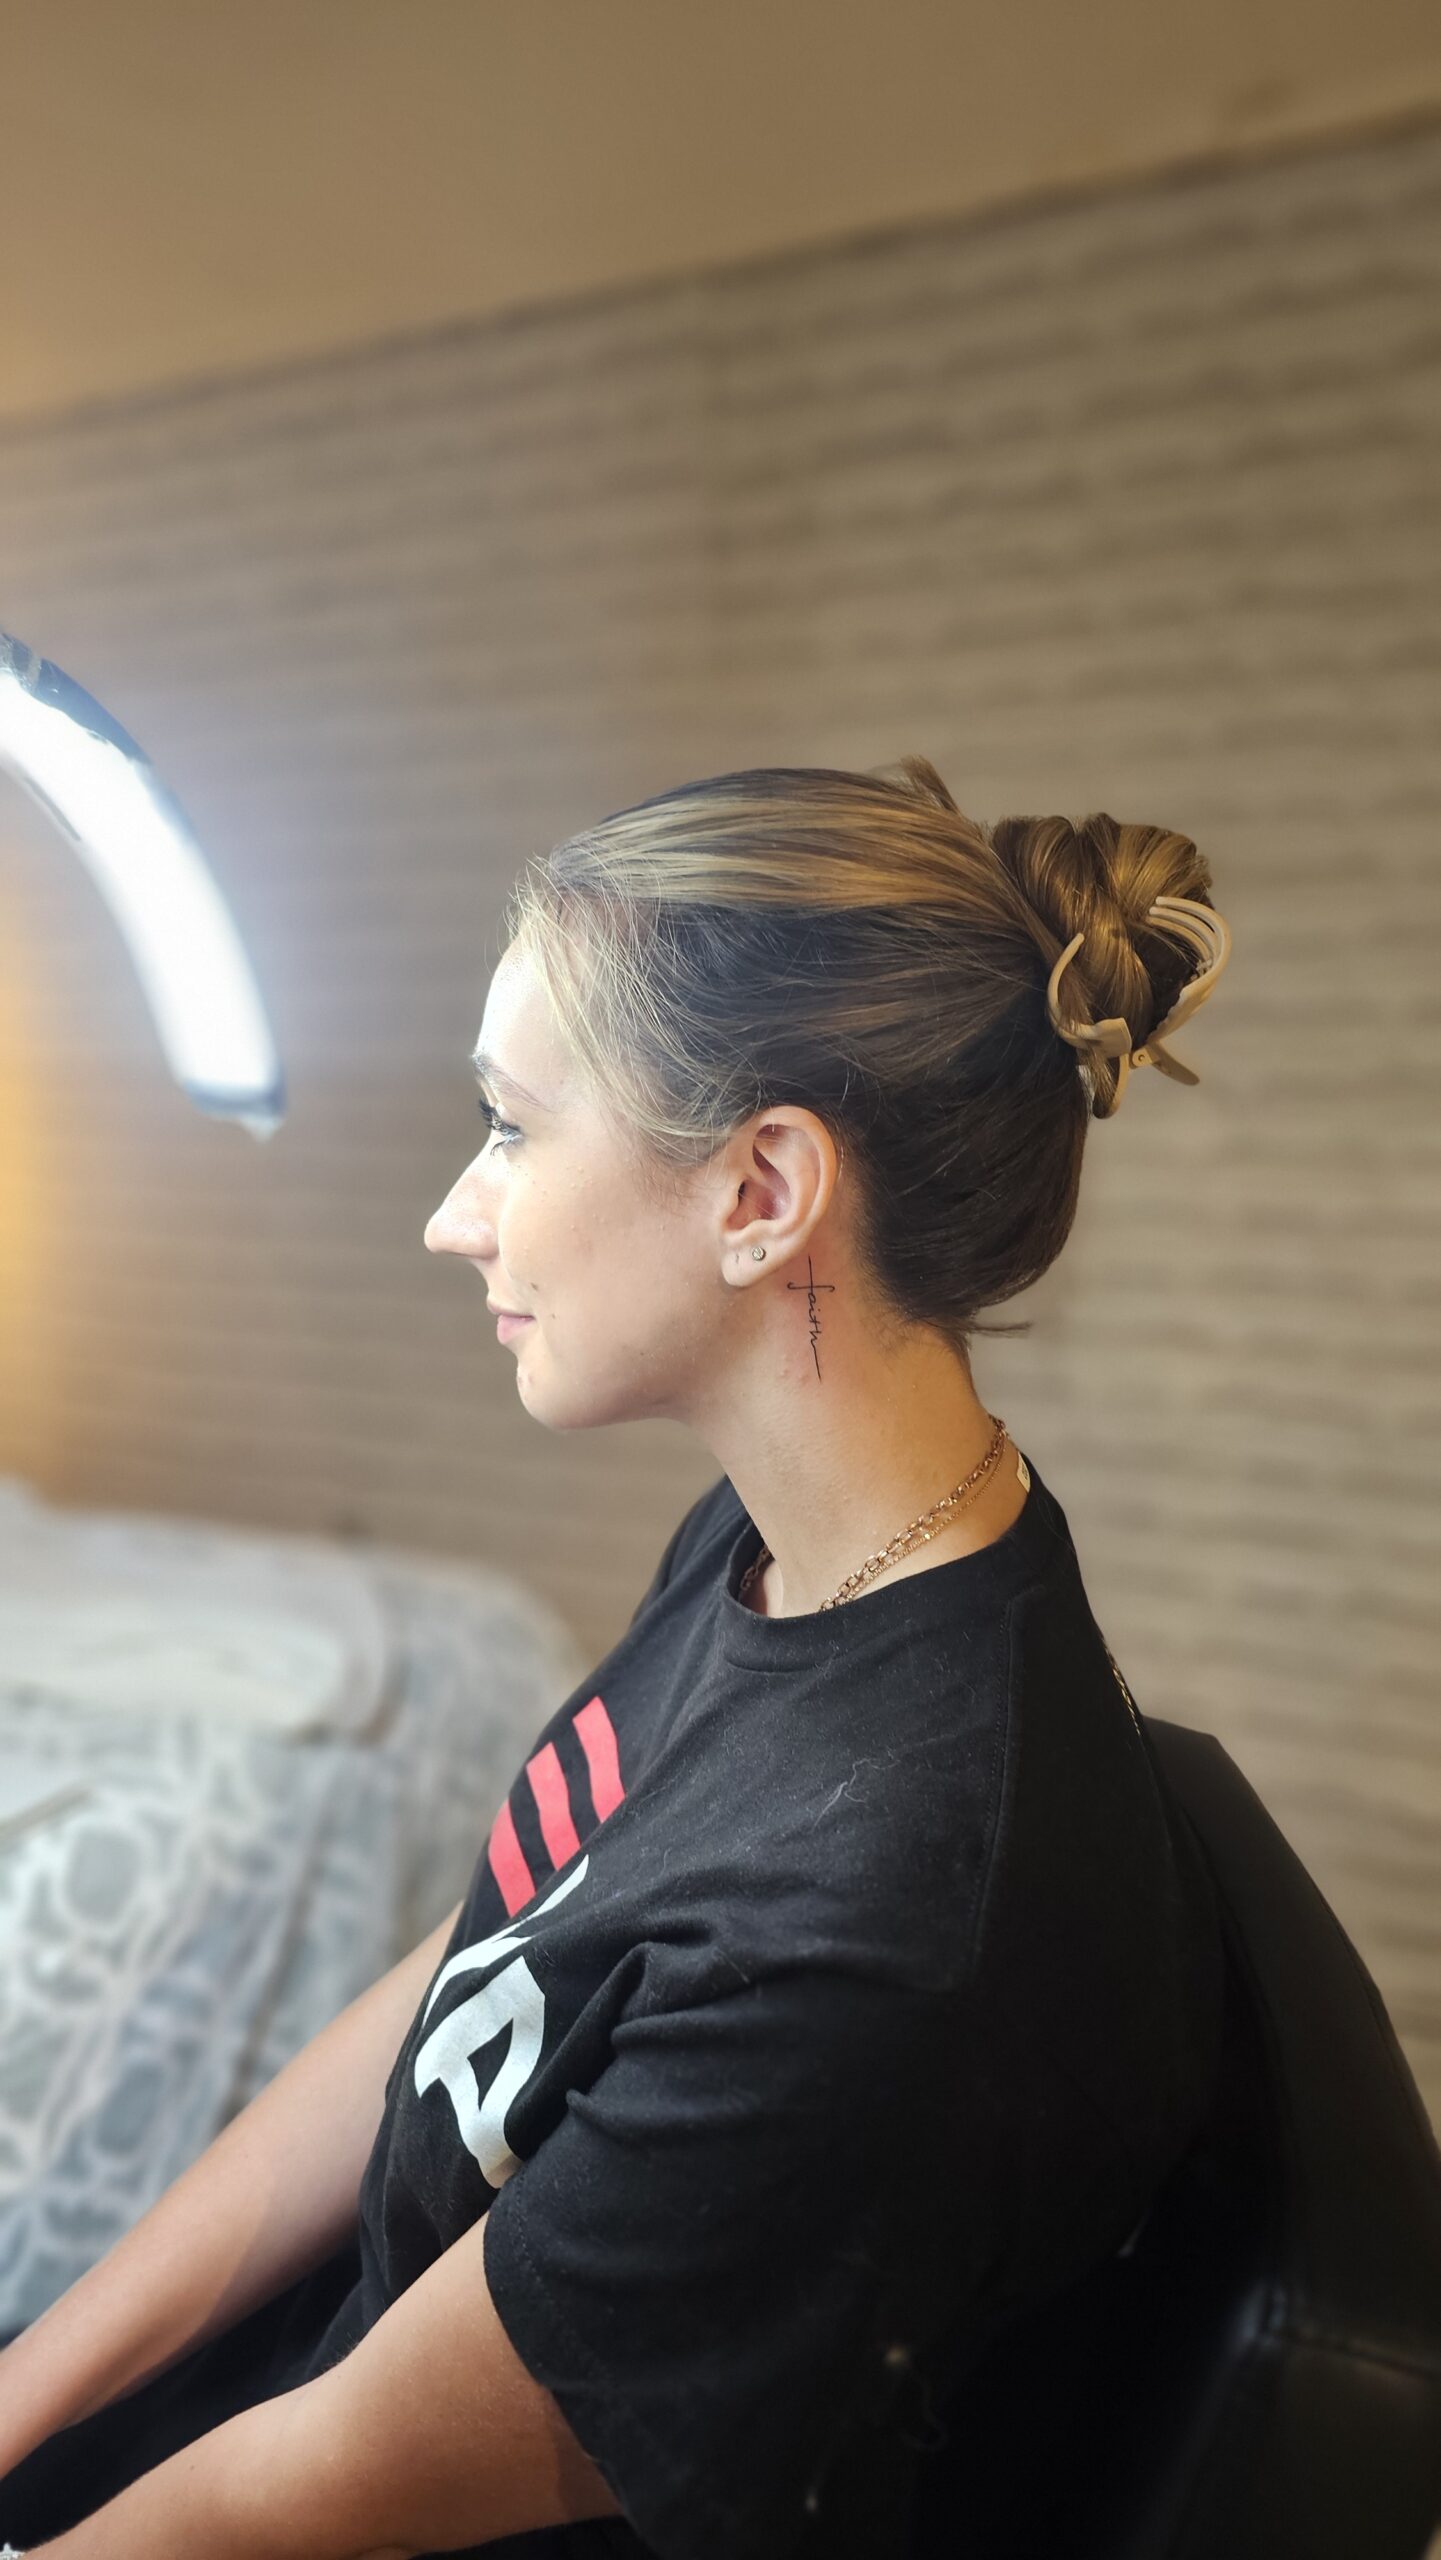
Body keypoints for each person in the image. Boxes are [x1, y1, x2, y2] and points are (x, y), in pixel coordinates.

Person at [0, 755, 1233, 2560]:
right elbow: (490, 1951)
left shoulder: (884, 1935)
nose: (455, 1213)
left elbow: (330, 2481)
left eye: (511, 1125)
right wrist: (27, 2387)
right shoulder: (781, 1546)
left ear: (760, 1191)